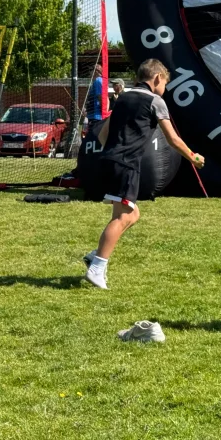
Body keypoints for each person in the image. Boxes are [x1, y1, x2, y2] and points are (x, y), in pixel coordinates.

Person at [81, 59, 205, 290]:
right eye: (165, 83)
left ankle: (97, 254)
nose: (164, 89)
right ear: (157, 78)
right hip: (126, 165)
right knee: (123, 217)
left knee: (133, 214)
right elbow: (173, 139)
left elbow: (102, 135)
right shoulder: (156, 101)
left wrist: (116, 150)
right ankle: (97, 267)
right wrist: (193, 157)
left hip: (108, 161)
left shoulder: (122, 98)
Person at [84, 66, 105, 131]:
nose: (90, 72)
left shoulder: (98, 81)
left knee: (94, 136)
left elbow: (100, 97)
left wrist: (103, 111)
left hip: (96, 116)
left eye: (91, 70)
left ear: (96, 71)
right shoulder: (97, 81)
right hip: (93, 115)